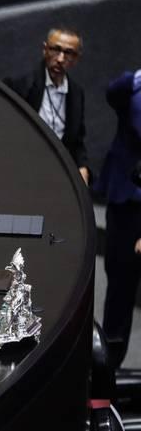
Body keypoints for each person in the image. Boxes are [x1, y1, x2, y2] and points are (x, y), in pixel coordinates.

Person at [94, 70, 141, 369]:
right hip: (126, 204)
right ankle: (107, 372)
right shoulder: (131, 89)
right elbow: (113, 91)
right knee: (120, 289)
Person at [5, 28, 90, 185]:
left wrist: (82, 167)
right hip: (23, 169)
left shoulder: (76, 93)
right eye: (55, 50)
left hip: (59, 174)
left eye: (68, 53)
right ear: (45, 50)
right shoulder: (23, 84)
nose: (60, 58)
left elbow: (77, 140)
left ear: (76, 59)